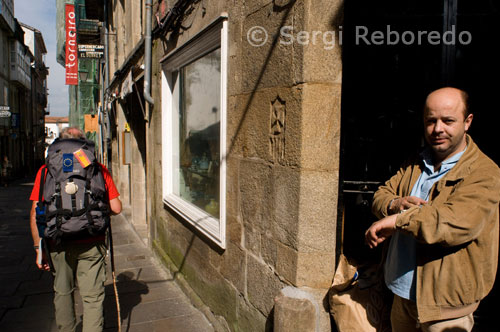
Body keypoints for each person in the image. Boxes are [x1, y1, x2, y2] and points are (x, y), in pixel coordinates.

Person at [365, 87, 500, 332]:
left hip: (445, 310)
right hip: (401, 296)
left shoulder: (484, 172)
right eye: (431, 121)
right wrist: (395, 204)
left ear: (467, 122)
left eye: (448, 121)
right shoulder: (416, 163)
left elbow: (451, 223)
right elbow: (381, 194)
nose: (438, 129)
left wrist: (397, 220)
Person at [29, 127, 122, 332]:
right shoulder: (97, 168)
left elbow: (36, 212)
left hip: (58, 243)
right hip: (92, 241)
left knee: (62, 294)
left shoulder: (46, 171)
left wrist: (38, 248)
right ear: (83, 144)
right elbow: (116, 207)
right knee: (93, 298)